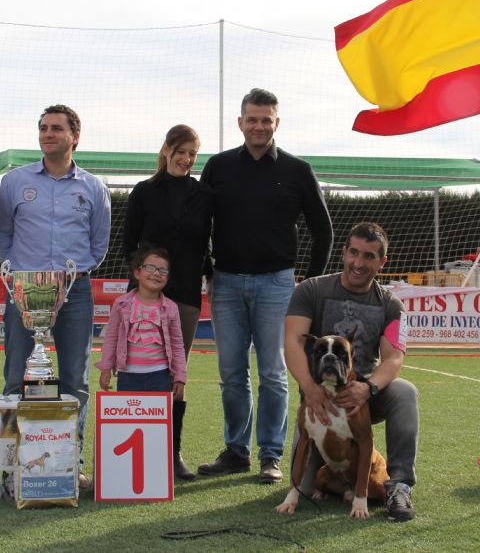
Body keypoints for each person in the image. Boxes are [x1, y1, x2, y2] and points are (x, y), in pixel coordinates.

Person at [198, 88, 333, 483]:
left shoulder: (298, 170)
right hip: (225, 283)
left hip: (278, 285)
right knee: (231, 373)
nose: (258, 126)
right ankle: (236, 451)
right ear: (240, 122)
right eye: (252, 119)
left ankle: (271, 456)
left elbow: (322, 229)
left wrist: (312, 282)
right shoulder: (218, 167)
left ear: (277, 122)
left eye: (266, 119)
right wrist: (207, 267)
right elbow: (199, 222)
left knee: (274, 372)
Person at [0, 104, 111, 490]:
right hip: (24, 294)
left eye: (56, 128)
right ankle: (10, 464)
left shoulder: (94, 187)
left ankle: (69, 462)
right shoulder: (14, 181)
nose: (48, 134)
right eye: (43, 127)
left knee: (74, 380)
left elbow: (99, 243)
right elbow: (3, 235)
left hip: (74, 294)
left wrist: (71, 274)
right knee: (15, 376)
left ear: (74, 136)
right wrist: (22, 278)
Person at [285, 222, 418, 522]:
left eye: (369, 256)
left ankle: (399, 485)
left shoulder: (392, 304)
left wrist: (368, 388)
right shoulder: (311, 289)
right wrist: (309, 385)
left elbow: (394, 358)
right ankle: (337, 470)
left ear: (382, 262)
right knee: (305, 487)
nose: (359, 263)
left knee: (405, 392)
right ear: (344, 253)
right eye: (354, 253)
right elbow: (292, 341)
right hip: (318, 397)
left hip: (362, 398)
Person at [122, 124, 212, 480]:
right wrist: (146, 279)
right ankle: (134, 453)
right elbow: (129, 244)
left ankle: (172, 455)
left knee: (177, 372)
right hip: (145, 296)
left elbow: (206, 243)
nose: (187, 159)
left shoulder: (203, 194)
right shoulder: (144, 192)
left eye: (193, 154)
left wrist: (208, 273)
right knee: (138, 366)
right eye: (182, 151)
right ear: (166, 150)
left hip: (187, 294)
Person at [96, 247, 187, 399]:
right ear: (137, 273)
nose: (156, 273)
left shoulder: (171, 308)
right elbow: (111, 339)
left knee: (157, 422)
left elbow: (177, 345)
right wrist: (106, 368)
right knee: (129, 422)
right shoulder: (121, 304)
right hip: (127, 377)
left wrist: (180, 377)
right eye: (150, 267)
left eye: (163, 270)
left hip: (161, 377)